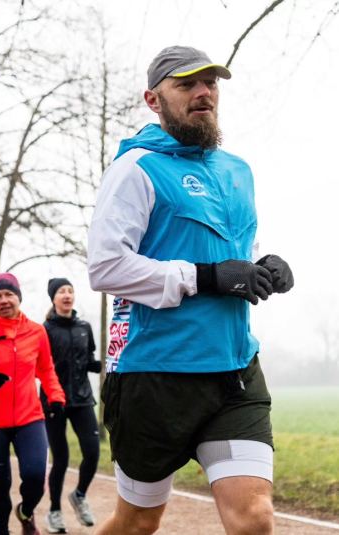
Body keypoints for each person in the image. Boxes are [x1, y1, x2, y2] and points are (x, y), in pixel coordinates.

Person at [87, 46, 294, 535]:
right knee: (138, 523)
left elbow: (235, 248)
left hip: (234, 372)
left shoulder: (237, 170)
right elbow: (106, 267)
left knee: (254, 519)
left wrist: (262, 267)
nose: (204, 93)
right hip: (155, 377)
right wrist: (206, 277)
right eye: (186, 85)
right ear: (153, 100)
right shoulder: (135, 168)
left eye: (211, 83)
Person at [0, 273, 66, 535]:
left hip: (29, 417)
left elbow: (46, 370)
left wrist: (56, 398)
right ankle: (3, 531)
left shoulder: (36, 331)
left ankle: (25, 511)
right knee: (0, 484)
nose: (3, 300)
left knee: (35, 477)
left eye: (9, 294)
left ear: (19, 298)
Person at [42, 278, 101, 532]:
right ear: (53, 298)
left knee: (93, 452)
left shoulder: (84, 327)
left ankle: (79, 494)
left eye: (70, 291)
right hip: (54, 401)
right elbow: (41, 366)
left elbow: (88, 355)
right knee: (61, 459)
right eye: (61, 292)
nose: (67, 295)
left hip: (82, 398)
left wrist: (92, 364)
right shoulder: (45, 330)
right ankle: (54, 511)